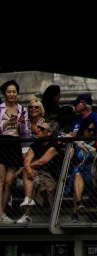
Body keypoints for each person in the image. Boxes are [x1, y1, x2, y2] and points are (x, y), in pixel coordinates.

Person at [15, 118, 62, 224]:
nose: (38, 130)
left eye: (42, 128)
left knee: (40, 182)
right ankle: (27, 200)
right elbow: (27, 159)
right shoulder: (35, 144)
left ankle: (49, 215)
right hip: (37, 174)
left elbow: (41, 161)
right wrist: (27, 168)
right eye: (38, 128)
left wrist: (26, 167)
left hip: (53, 176)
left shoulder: (53, 146)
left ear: (49, 132)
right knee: (30, 175)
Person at [0, 79, 30, 223]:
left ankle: (2, 211)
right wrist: (6, 123)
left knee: (9, 182)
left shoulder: (22, 109)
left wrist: (21, 124)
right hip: (1, 143)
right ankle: (0, 213)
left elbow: (25, 133)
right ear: (4, 94)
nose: (12, 94)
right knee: (0, 180)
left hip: (15, 144)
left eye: (14, 92)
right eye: (9, 92)